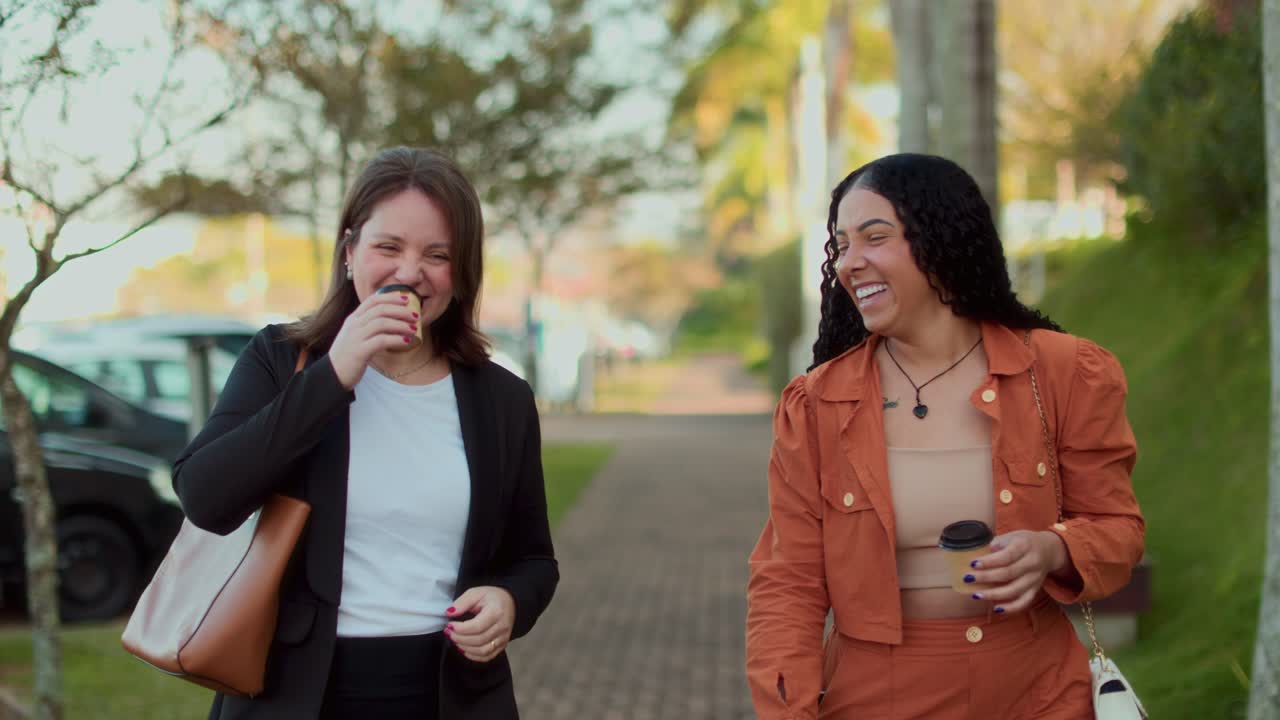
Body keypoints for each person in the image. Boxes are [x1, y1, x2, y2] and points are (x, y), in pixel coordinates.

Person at [745, 153, 1145, 719]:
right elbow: (788, 585)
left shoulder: (1064, 372)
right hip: (874, 699)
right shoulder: (816, 405)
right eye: (842, 245)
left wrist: (1053, 549)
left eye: (874, 237)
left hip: (1039, 695)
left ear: (940, 239)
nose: (850, 263)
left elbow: (1117, 529)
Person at [173, 146, 557, 719]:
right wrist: (335, 374)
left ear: (462, 271)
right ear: (350, 252)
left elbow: (534, 561)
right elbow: (205, 496)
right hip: (298, 696)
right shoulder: (281, 361)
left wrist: (509, 601)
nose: (409, 272)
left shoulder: (501, 399)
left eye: (437, 254)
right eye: (388, 247)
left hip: (450, 696)